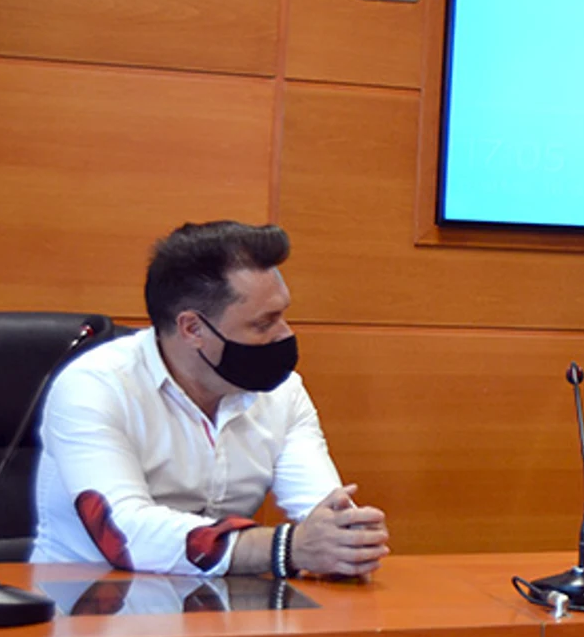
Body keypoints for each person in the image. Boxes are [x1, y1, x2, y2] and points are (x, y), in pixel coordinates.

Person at [32, 221, 390, 577]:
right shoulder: (95, 386)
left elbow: (322, 509)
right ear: (193, 329)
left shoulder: (283, 393)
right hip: (86, 606)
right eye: (264, 324)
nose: (285, 334)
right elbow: (125, 532)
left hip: (219, 606)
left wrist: (346, 540)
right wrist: (286, 548)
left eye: (283, 316)